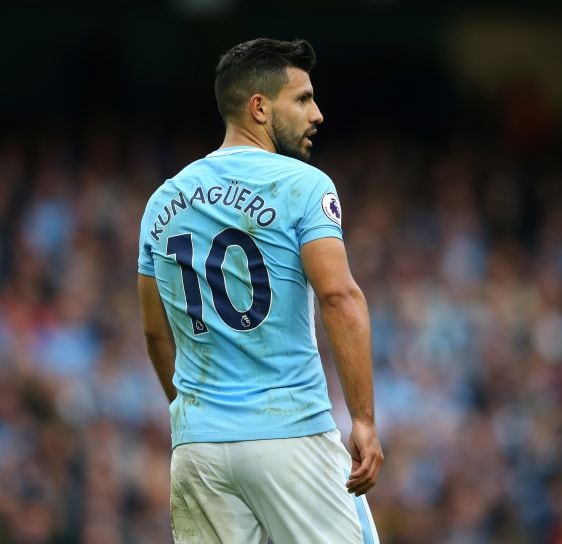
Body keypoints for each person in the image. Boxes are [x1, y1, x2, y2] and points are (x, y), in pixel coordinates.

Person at [137, 38, 383, 543]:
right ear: (259, 107)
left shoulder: (162, 201)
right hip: (289, 436)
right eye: (303, 99)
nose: (317, 113)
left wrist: (194, 414)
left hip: (198, 449)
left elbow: (154, 332)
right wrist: (363, 419)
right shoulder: (303, 185)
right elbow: (339, 297)